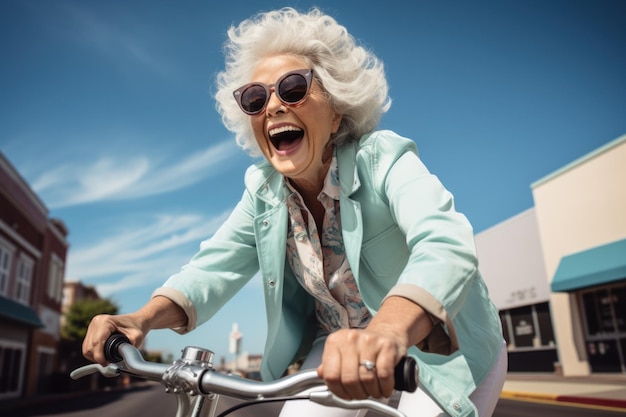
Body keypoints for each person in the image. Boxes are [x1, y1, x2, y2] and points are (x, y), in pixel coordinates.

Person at [82, 7, 507, 417]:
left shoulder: (382, 157)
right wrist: (140, 319)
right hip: (336, 345)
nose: (272, 107)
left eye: (292, 89)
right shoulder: (263, 191)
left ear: (337, 108)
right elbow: (211, 269)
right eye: (254, 98)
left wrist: (387, 332)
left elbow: (445, 242)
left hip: (441, 347)